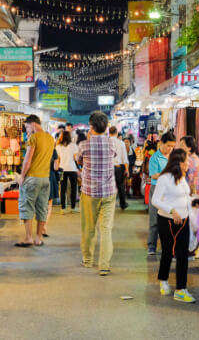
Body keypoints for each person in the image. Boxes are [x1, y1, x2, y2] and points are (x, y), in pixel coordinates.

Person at [151, 148, 198, 303]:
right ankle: (163, 280)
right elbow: (155, 201)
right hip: (167, 221)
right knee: (167, 252)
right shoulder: (165, 178)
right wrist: (172, 210)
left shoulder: (182, 177)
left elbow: (184, 197)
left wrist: (193, 202)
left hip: (183, 220)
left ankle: (181, 289)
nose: (188, 163)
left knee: (183, 255)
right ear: (178, 162)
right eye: (186, 161)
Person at [78, 111, 117, 276]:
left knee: (89, 227)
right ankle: (104, 265)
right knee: (106, 228)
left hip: (90, 192)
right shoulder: (112, 144)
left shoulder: (84, 145)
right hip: (108, 192)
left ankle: (88, 260)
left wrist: (89, 138)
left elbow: (79, 160)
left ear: (91, 127)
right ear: (107, 127)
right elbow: (113, 155)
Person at [15, 114, 54, 247]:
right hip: (45, 179)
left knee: (27, 206)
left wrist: (21, 176)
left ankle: (28, 238)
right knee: (42, 208)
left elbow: (28, 159)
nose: (27, 131)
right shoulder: (50, 138)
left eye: (27, 127)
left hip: (32, 178)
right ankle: (38, 238)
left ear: (32, 124)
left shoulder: (34, 138)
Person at [147, 132, 176, 255]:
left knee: (168, 218)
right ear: (162, 143)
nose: (170, 148)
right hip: (157, 189)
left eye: (172, 146)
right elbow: (153, 175)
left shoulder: (173, 156)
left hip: (170, 190)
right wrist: (168, 172)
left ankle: (167, 246)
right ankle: (152, 246)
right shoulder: (155, 157)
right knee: (154, 219)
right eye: (168, 145)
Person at [56, 131, 79, 214]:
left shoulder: (58, 146)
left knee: (62, 189)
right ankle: (73, 207)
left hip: (62, 169)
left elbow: (58, 159)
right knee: (73, 189)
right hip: (72, 169)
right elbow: (76, 159)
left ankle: (63, 208)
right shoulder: (74, 146)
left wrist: (57, 170)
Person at [109, 126, 129, 210]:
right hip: (118, 168)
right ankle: (122, 204)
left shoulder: (106, 142)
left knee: (109, 187)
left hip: (108, 168)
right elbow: (125, 158)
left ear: (109, 133)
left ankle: (108, 205)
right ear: (117, 133)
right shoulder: (121, 143)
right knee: (120, 186)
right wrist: (127, 170)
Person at [44, 147, 60, 236]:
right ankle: (44, 226)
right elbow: (56, 167)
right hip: (50, 177)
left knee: (40, 204)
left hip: (39, 176)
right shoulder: (53, 151)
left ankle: (40, 225)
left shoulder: (37, 148)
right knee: (49, 205)